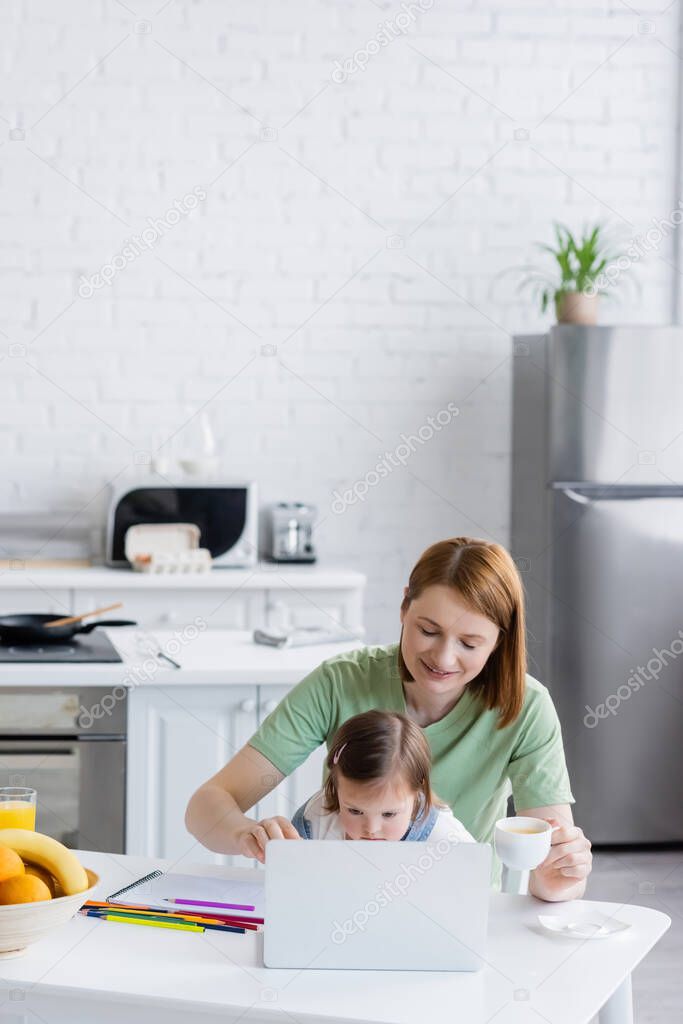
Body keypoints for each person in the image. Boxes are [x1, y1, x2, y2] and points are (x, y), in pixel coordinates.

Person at [186, 537, 592, 900]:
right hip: (341, 904)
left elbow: (549, 866)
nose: (443, 658)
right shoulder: (340, 682)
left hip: (458, 910)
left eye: (469, 643)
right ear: (403, 608)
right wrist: (244, 835)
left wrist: (559, 877)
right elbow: (205, 807)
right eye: (428, 631)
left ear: (499, 642)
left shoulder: (526, 707)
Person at [291, 709, 474, 844]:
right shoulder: (314, 822)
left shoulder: (446, 840)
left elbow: (472, 880)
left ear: (417, 791)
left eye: (388, 814)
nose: (371, 829)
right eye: (355, 811)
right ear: (336, 786)